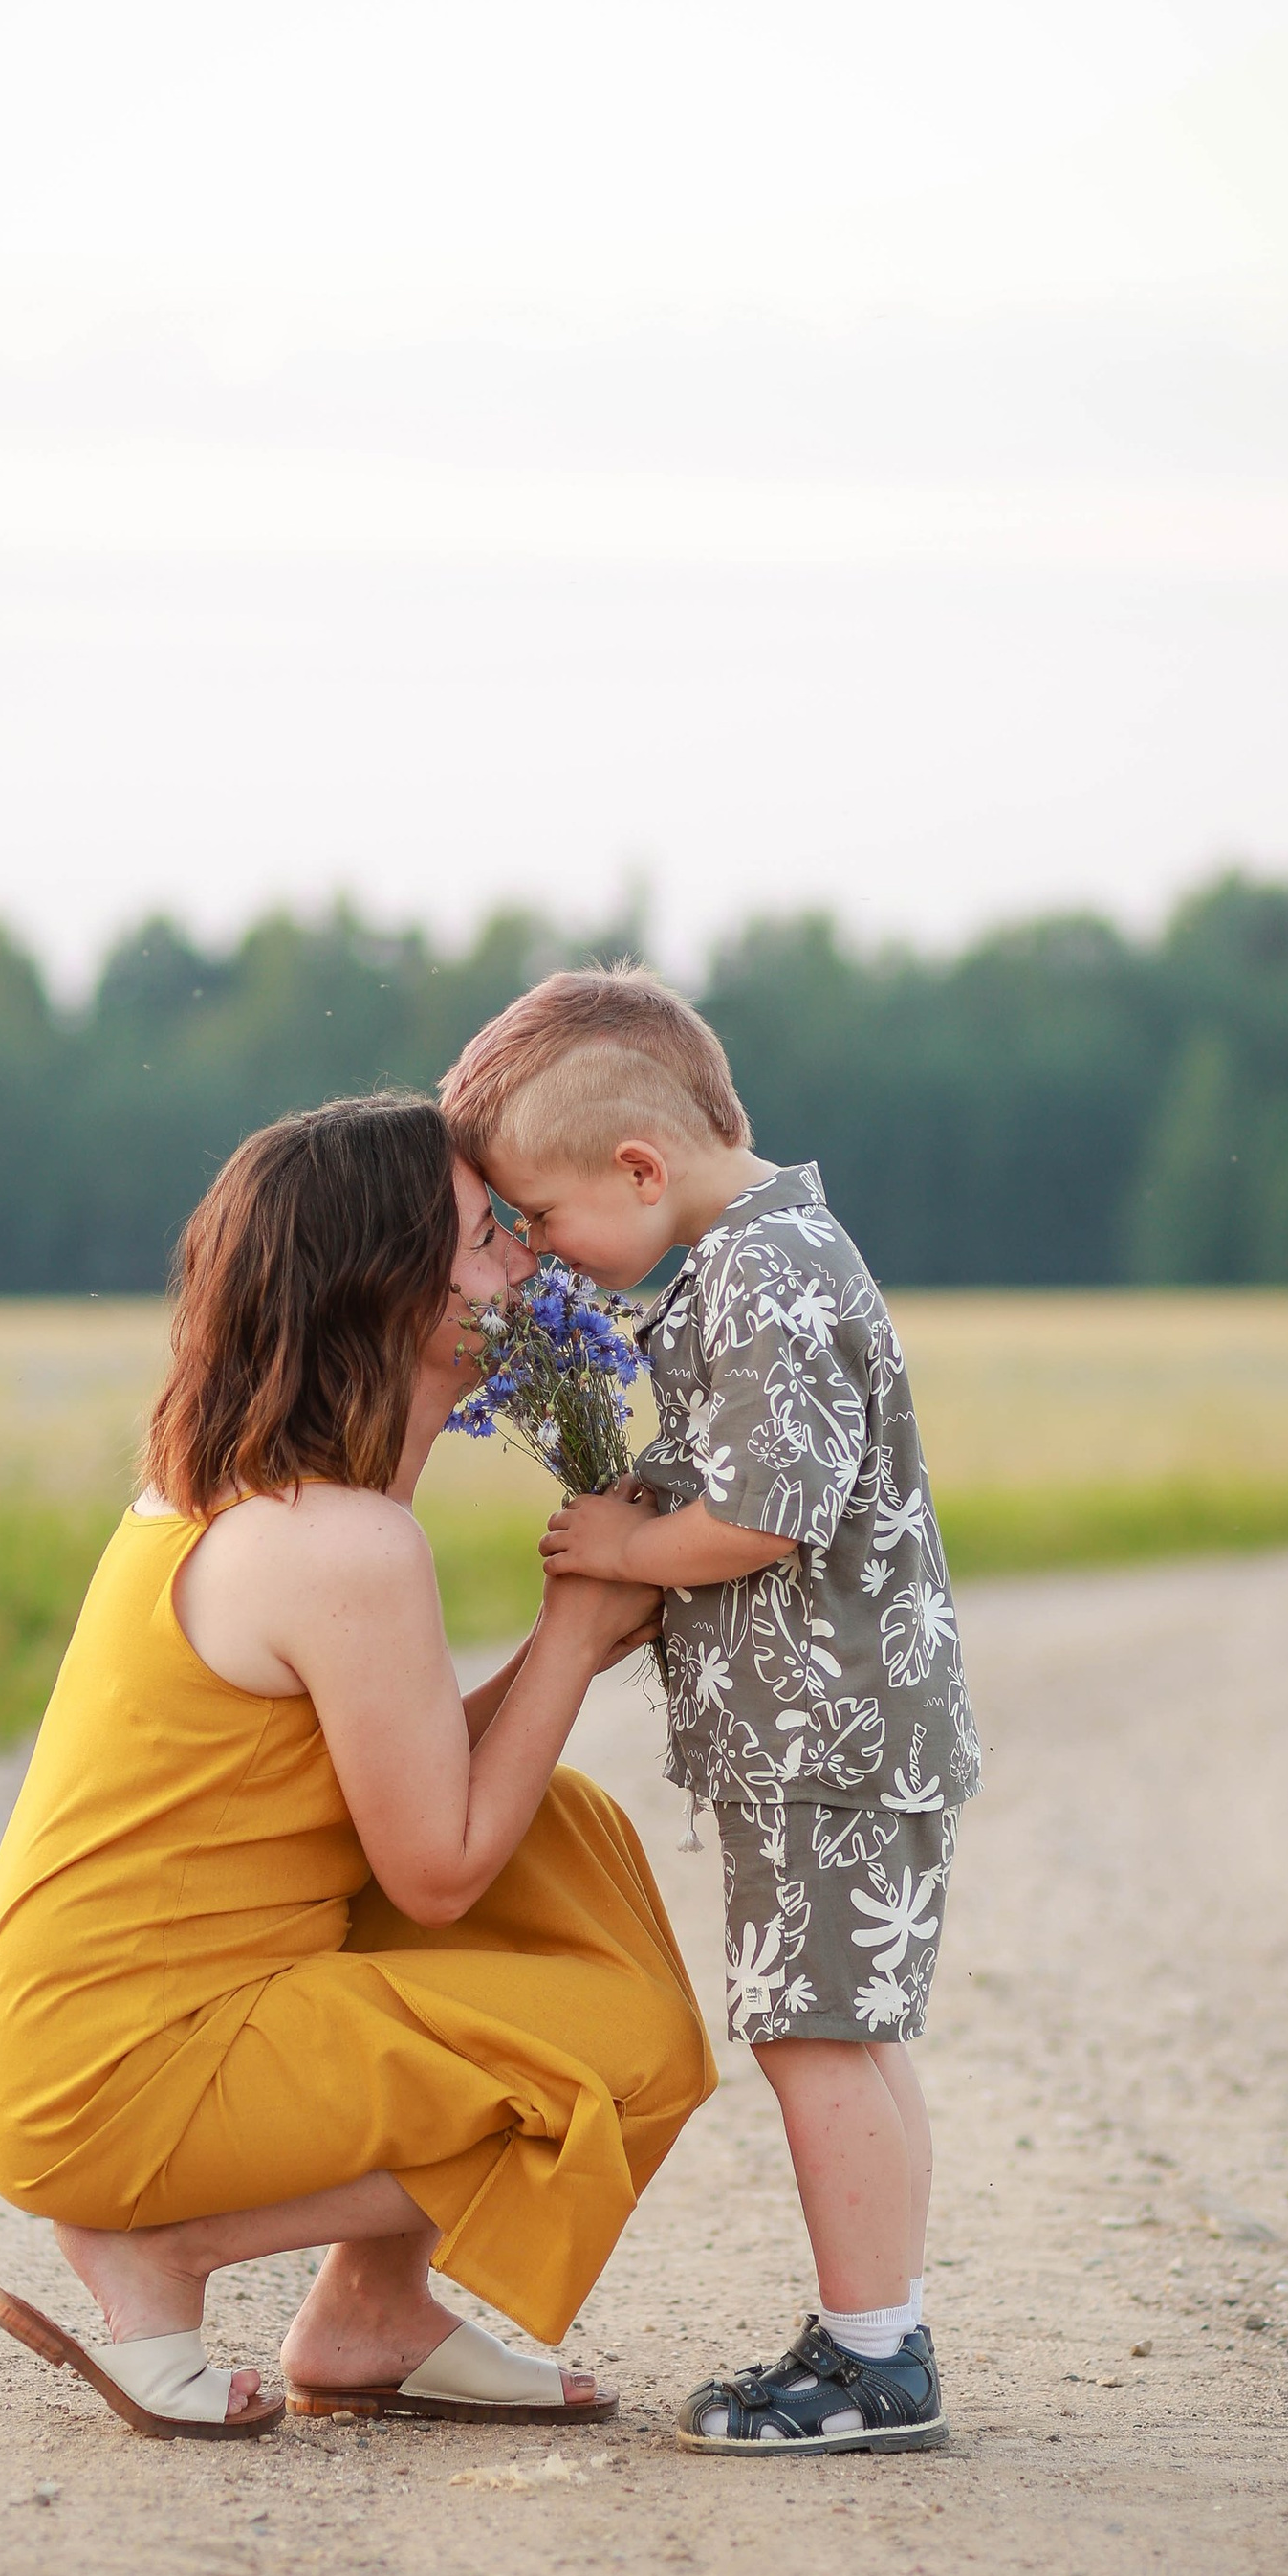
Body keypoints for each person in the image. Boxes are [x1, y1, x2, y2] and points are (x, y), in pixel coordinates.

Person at [0, 1092, 715, 2442]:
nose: (531, 1265)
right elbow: (432, 1869)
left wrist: (573, 1647)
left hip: (97, 2029)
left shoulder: (245, 1497)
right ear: (387, 1283)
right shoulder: (338, 1541)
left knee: (565, 1833)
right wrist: (577, 1625)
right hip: (119, 2070)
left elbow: (388, 1795)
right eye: (491, 1236)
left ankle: (374, 2314)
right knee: (631, 2056)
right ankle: (163, 2255)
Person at [441, 970, 979, 2457]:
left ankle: (876, 2364)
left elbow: (769, 1513)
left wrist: (621, 1547)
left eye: (541, 1222)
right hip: (834, 1732)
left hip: (831, 1738)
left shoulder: (765, 1274)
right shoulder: (760, 1256)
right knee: (846, 2030)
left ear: (639, 1167)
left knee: (815, 2033)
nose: (540, 1256)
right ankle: (881, 2328)